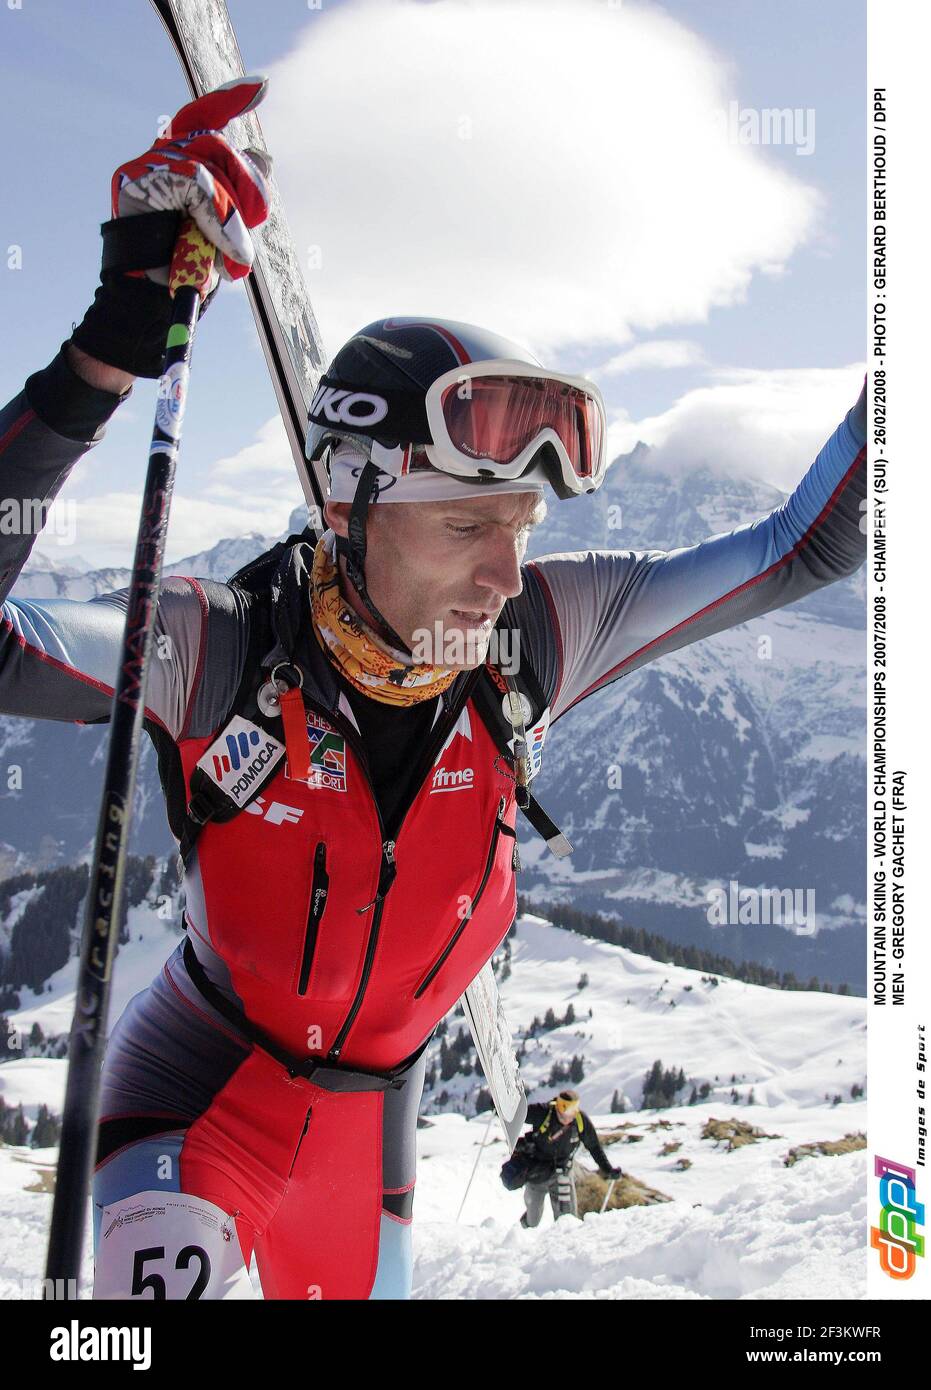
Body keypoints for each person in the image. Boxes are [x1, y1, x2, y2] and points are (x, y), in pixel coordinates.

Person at [0, 83, 867, 1300]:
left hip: (371, 1135)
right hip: (203, 1094)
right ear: (344, 506)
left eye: (521, 523)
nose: (507, 572)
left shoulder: (537, 636)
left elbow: (803, 548)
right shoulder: (222, 648)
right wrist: (96, 361)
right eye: (466, 524)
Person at [514, 1091, 621, 1226]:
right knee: (532, 1219)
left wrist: (608, 1169)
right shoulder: (543, 1112)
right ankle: (521, 1238)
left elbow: (594, 1147)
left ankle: (564, 1244)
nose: (568, 1116)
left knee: (567, 1221)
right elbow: (518, 1114)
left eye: (572, 1111)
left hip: (562, 1174)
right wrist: (500, 1107)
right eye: (565, 1110)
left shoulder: (580, 1121)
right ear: (558, 1106)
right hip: (536, 1173)